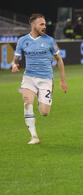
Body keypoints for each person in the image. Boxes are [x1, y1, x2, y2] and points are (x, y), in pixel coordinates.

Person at [11, 13, 68, 145]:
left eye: (45, 24)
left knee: (44, 112)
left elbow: (59, 60)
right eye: (41, 24)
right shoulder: (22, 41)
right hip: (29, 77)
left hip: (46, 79)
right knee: (27, 103)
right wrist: (14, 65)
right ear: (33, 24)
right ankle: (34, 136)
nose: (44, 26)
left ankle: (41, 98)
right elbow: (16, 59)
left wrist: (63, 80)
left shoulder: (50, 41)